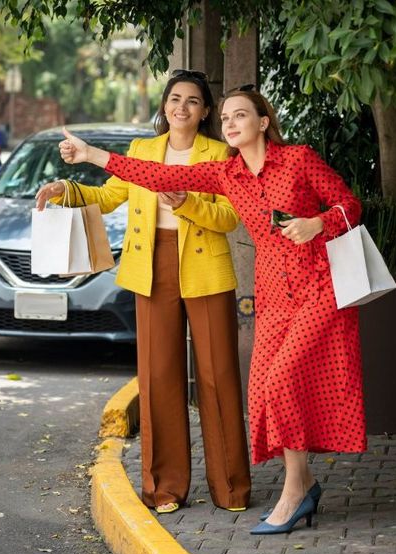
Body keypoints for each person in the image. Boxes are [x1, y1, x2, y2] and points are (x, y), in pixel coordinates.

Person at [56, 86, 367, 535]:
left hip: (318, 282)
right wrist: (91, 155)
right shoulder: (227, 174)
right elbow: (151, 174)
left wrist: (319, 222)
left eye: (240, 116)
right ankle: (303, 484)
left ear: (262, 123)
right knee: (264, 391)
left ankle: (294, 492)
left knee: (278, 381)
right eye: (226, 119)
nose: (231, 124)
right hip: (273, 292)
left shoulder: (298, 158)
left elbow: (350, 205)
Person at [35, 70, 251, 514]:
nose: (182, 107)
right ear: (164, 105)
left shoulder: (223, 153)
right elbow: (110, 196)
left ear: (206, 111)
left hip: (205, 266)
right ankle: (164, 488)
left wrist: (186, 202)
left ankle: (232, 488)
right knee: (158, 378)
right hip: (150, 266)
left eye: (193, 101)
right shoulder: (141, 151)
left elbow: (230, 217)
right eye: (175, 98)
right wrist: (65, 191)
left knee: (218, 376)